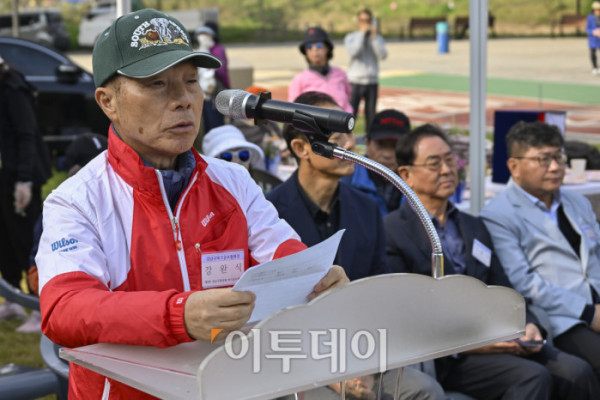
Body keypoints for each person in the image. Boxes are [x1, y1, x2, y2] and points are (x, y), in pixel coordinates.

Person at [35, 9, 348, 399]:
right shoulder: (77, 200)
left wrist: (315, 276)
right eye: (157, 84)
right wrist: (178, 314)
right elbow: (64, 308)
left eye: (191, 81)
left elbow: (281, 250)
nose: (183, 100)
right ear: (107, 101)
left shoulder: (232, 179)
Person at [386, 123, 600, 399]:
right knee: (532, 377)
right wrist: (478, 343)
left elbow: (503, 285)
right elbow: (406, 313)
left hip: (498, 336)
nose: (447, 170)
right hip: (446, 353)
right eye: (434, 163)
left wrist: (528, 323)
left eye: (450, 160)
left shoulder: (472, 226)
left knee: (575, 371)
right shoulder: (393, 231)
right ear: (406, 175)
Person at [268, 92, 445, 400]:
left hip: (360, 351)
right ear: (300, 148)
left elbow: (379, 290)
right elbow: (270, 316)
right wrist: (330, 374)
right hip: (293, 362)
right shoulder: (269, 213)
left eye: (349, 135)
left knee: (425, 390)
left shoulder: (365, 208)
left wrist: (366, 363)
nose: (349, 145)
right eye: (337, 138)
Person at [480, 121, 600, 382]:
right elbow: (523, 281)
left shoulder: (577, 202)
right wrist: (588, 312)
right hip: (562, 317)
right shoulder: (499, 215)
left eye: (559, 157)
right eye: (543, 159)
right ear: (514, 166)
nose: (555, 167)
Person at [0, 54, 51, 320]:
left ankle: (39, 306)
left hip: (22, 176)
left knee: (26, 241)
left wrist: (24, 180)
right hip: (3, 176)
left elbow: (26, 134)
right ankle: (12, 301)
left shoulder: (12, 87)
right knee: (4, 241)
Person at [342, 109, 410, 216]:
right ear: (367, 143)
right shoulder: (345, 179)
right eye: (381, 144)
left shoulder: (419, 183)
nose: (387, 154)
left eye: (395, 146)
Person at [288, 27, 353, 114]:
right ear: (306, 52)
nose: (314, 49)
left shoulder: (341, 74)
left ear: (327, 48)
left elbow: (348, 97)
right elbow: (293, 109)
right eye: (309, 46)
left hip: (341, 120)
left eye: (319, 45)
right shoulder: (299, 79)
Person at [344, 8, 387, 129]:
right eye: (362, 20)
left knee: (371, 116)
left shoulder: (377, 38)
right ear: (358, 21)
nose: (365, 23)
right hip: (355, 81)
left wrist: (373, 38)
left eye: (368, 20)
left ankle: (370, 139)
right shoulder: (351, 37)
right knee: (351, 115)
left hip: (371, 81)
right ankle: (347, 137)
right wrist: (362, 35)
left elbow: (382, 55)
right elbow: (353, 52)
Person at [195, 22, 230, 131]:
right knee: (207, 123)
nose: (202, 36)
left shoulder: (217, 50)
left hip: (216, 93)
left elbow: (222, 71)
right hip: (204, 94)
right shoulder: (201, 49)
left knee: (216, 123)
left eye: (206, 33)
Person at [587, 1, 600, 75]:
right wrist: (593, 32)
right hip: (593, 39)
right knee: (593, 53)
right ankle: (595, 67)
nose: (598, 11)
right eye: (597, 10)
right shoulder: (590, 18)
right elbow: (587, 29)